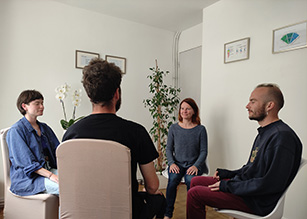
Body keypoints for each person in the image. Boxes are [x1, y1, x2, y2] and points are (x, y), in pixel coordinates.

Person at [62, 58, 166, 219]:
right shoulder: (136, 132)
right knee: (159, 199)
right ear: (116, 94)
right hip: (123, 213)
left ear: (89, 96)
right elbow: (152, 186)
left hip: (83, 212)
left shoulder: (71, 133)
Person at [186, 83, 302, 219]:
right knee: (195, 181)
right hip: (248, 191)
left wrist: (227, 186)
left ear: (269, 106)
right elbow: (251, 169)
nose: (247, 106)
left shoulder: (282, 137)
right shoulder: (265, 133)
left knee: (195, 193)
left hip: (256, 201)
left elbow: (270, 184)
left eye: (253, 101)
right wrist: (228, 174)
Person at [6, 90, 60, 196]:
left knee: (74, 182)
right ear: (24, 106)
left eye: (42, 103)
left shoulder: (45, 128)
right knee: (65, 189)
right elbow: (28, 164)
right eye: (37, 103)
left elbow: (58, 151)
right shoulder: (16, 131)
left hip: (47, 171)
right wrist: (51, 176)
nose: (42, 106)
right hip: (27, 179)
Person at [164, 98, 208, 219]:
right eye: (182, 108)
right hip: (177, 164)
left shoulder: (200, 129)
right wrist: (171, 163)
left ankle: (193, 215)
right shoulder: (174, 128)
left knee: (191, 182)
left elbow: (204, 151)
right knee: (172, 182)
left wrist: (195, 166)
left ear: (194, 111)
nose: (184, 111)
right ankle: (167, 214)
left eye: (188, 108)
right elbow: (168, 149)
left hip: (193, 165)